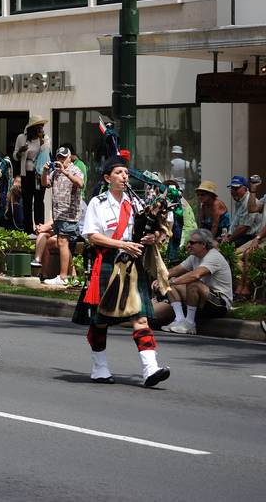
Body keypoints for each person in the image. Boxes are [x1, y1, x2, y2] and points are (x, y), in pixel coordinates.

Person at [73, 155, 169, 387]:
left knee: (141, 317)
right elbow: (92, 235)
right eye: (118, 173)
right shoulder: (98, 203)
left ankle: (150, 368)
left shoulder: (135, 204)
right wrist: (122, 244)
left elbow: (157, 233)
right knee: (100, 321)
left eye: (126, 173)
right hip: (106, 262)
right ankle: (100, 368)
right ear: (107, 178)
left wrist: (151, 237)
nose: (124, 176)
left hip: (132, 265)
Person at [154, 229, 232, 335]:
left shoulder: (213, 256)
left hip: (219, 304)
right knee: (171, 284)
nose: (188, 245)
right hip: (204, 301)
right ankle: (180, 321)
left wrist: (172, 281)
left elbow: (196, 275)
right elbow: (175, 270)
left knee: (193, 283)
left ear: (203, 244)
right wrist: (162, 280)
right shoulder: (194, 257)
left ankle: (190, 324)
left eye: (192, 243)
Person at [42, 146, 85, 285]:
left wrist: (65, 172)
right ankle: (72, 276)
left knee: (62, 242)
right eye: (58, 157)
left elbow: (80, 184)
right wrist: (44, 171)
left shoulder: (74, 170)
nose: (61, 159)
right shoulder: (54, 172)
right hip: (58, 214)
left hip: (70, 214)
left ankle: (62, 277)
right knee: (63, 243)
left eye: (63, 157)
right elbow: (45, 183)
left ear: (69, 157)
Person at [13, 115, 49, 234]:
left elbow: (46, 152)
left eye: (42, 126)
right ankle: (28, 231)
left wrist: (41, 139)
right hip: (26, 173)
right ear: (32, 127)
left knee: (39, 201)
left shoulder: (45, 138)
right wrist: (20, 152)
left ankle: (40, 230)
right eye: (38, 126)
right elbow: (15, 156)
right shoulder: (21, 138)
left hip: (39, 174)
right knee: (27, 202)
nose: (40, 129)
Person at [223, 176, 261, 248]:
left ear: (245, 189)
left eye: (236, 189)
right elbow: (234, 223)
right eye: (232, 189)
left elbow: (243, 227)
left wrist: (228, 241)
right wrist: (226, 236)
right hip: (239, 236)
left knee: (224, 250)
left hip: (249, 237)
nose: (233, 192)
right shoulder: (238, 201)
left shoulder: (248, 201)